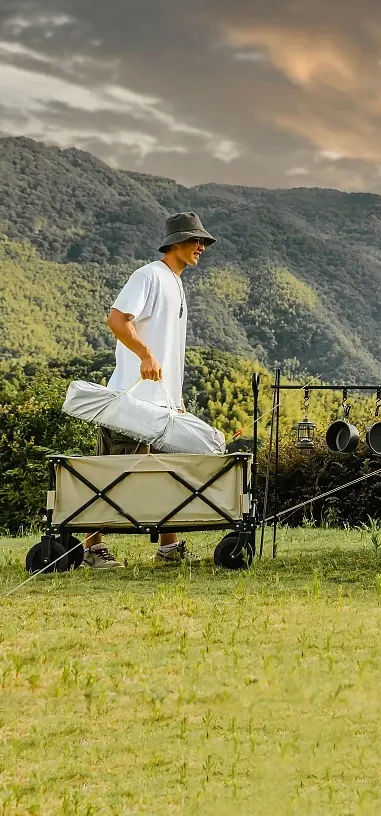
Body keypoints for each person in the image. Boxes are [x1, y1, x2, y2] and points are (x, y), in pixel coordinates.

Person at [81, 212, 217, 569]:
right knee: (113, 475)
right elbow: (116, 318)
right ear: (174, 243)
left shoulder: (176, 282)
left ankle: (169, 547)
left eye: (202, 241)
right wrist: (144, 353)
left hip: (163, 406)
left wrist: (177, 399)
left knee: (165, 473)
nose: (200, 246)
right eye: (194, 240)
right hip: (131, 402)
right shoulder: (149, 275)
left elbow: (169, 350)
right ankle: (92, 548)